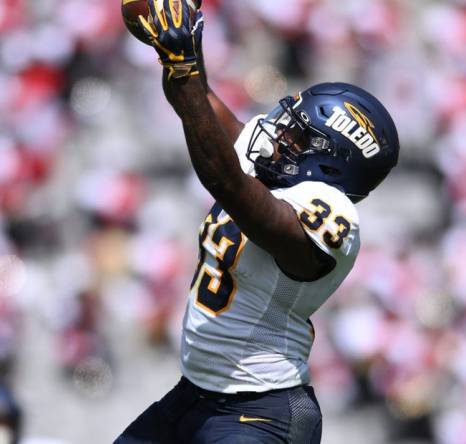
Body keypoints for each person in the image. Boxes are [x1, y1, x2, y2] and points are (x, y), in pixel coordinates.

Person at [115, 1, 400, 443]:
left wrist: (185, 67)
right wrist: (179, 47)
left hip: (261, 413)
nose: (279, 133)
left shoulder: (331, 213)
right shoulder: (276, 166)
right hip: (198, 395)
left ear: (332, 165)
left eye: (300, 135)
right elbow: (198, 106)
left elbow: (227, 183)